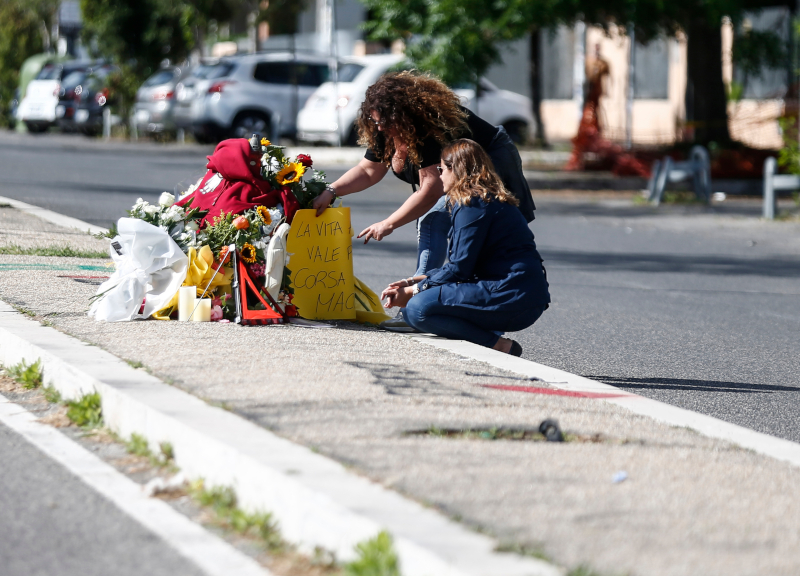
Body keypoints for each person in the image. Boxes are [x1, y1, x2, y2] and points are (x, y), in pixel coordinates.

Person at [311, 71, 536, 331]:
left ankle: (425, 298)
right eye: (375, 120)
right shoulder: (383, 129)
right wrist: (331, 190)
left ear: (404, 114)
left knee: (437, 219)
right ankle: (435, 301)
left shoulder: (426, 128)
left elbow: (431, 189)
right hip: (457, 172)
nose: (380, 127)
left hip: (492, 157)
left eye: (384, 120)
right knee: (438, 222)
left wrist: (388, 223)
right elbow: (368, 170)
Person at [380, 139, 550, 355]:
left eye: (441, 169)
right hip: (519, 294)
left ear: (455, 169)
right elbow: (464, 266)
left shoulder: (473, 204)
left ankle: (499, 346)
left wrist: (414, 291)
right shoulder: (484, 198)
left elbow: (459, 269)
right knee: (422, 303)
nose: (440, 175)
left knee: (417, 309)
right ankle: (487, 335)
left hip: (511, 295)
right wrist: (412, 281)